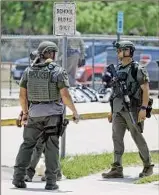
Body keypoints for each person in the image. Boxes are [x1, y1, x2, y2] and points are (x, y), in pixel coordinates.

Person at [12, 41, 79, 190]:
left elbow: (22, 97)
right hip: (53, 116)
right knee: (51, 147)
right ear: (50, 53)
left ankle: (18, 178)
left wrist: (25, 113)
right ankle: (51, 182)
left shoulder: (29, 71)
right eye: (54, 53)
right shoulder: (58, 71)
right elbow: (65, 96)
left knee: (27, 145)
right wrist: (74, 112)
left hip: (34, 114)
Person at [102, 41, 154, 179]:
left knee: (137, 136)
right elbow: (114, 92)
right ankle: (117, 168)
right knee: (116, 138)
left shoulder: (138, 69)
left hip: (132, 109)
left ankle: (148, 166)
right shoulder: (118, 69)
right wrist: (111, 111)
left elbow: (145, 90)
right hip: (118, 109)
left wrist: (143, 108)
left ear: (127, 51)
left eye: (120, 50)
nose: (118, 52)